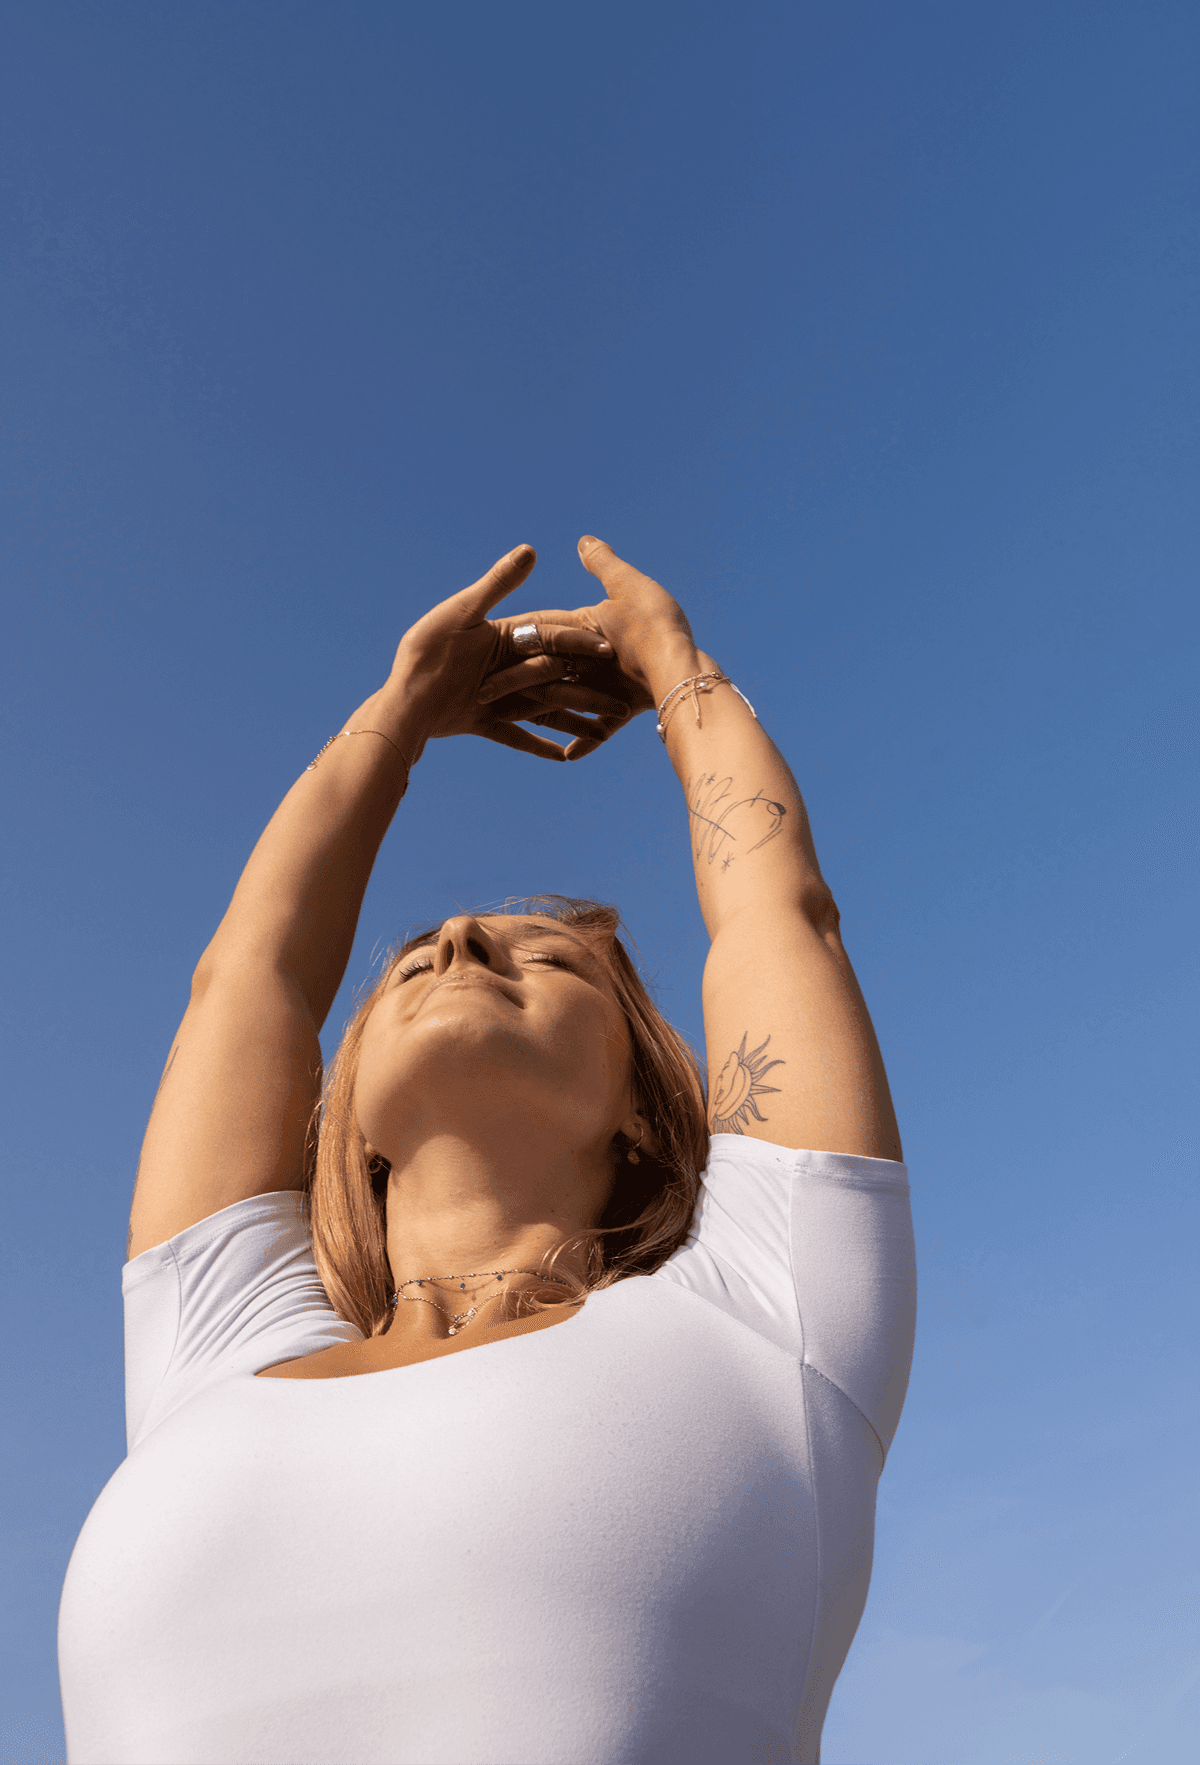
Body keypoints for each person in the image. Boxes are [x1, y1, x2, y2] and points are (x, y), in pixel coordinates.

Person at [57, 537, 916, 1765]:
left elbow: (782, 914)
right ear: (343, 1118)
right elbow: (246, 980)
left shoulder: (770, 1315)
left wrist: (677, 670)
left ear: (642, 1102)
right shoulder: (214, 1342)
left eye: (550, 960)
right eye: (414, 960)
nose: (459, 933)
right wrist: (397, 712)